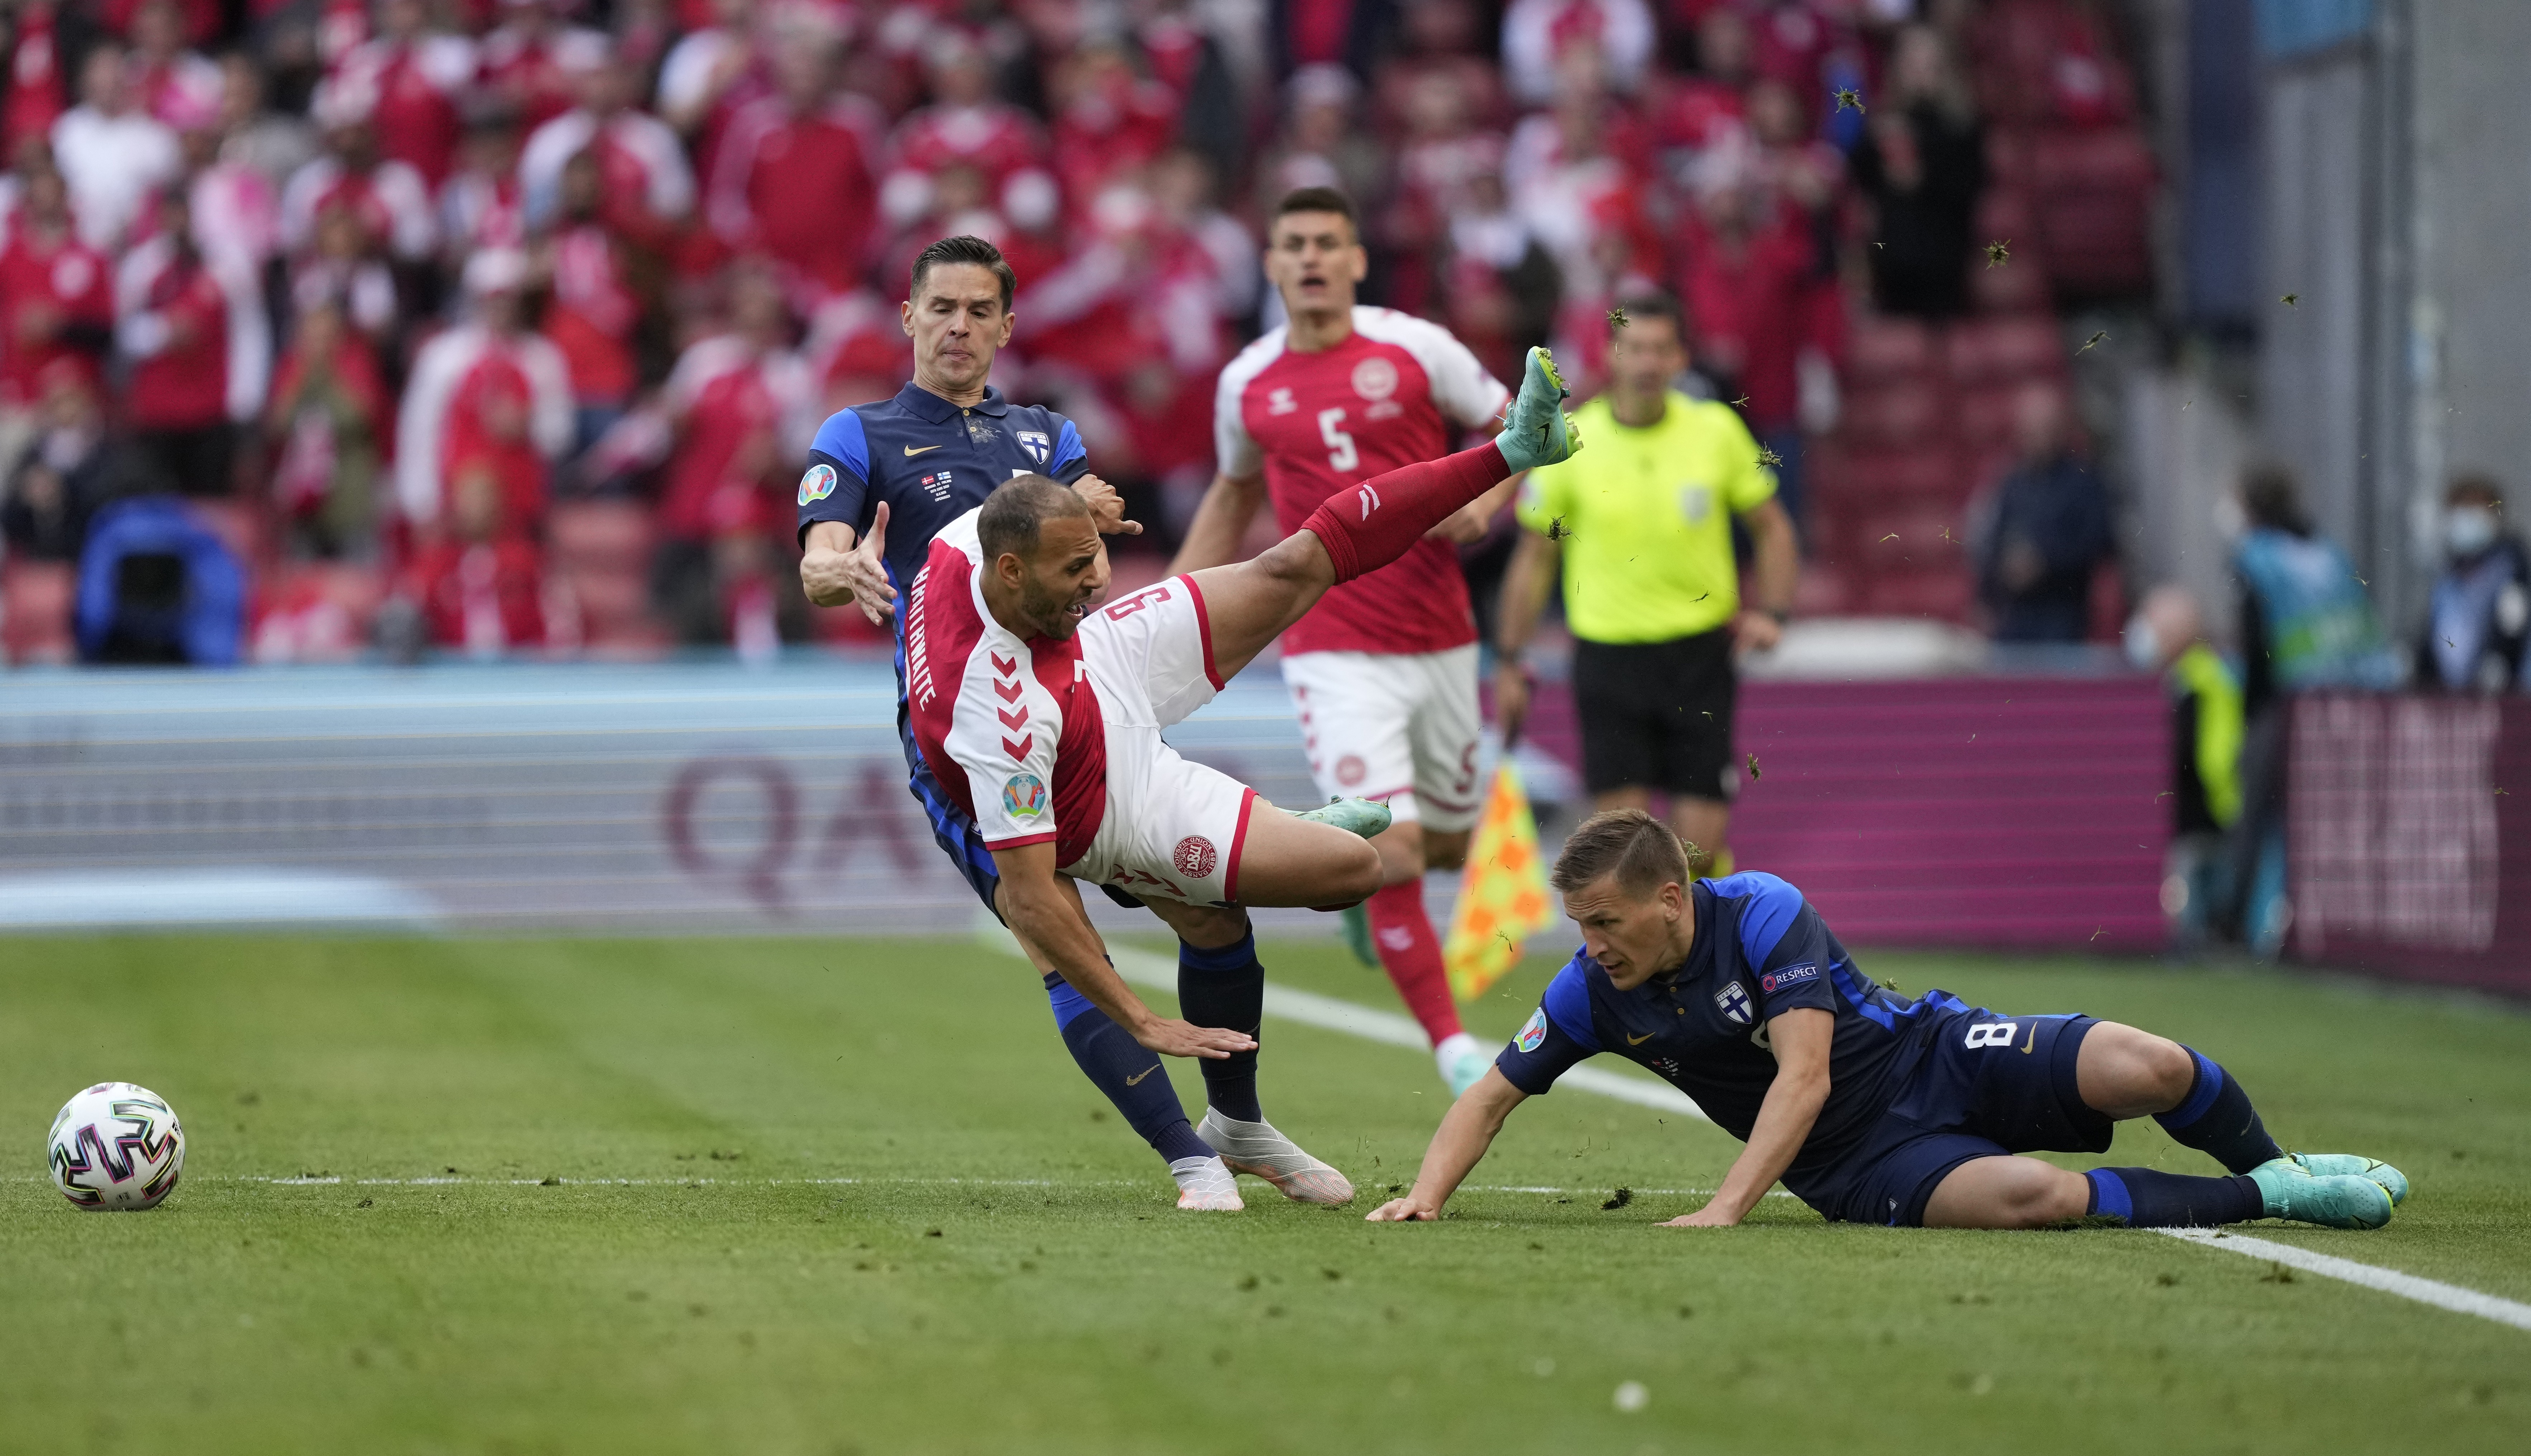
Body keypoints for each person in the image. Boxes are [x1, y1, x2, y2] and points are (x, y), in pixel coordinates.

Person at [909, 342, 1578, 1210]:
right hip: (1101, 796)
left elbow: (1042, 547)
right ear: (1012, 573)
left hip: (1091, 662)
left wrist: (1084, 517)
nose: (1098, 577)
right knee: (1351, 872)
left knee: (1292, 564)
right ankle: (1275, 841)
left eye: (1091, 557)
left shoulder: (974, 537)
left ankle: (1515, 448)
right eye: (1077, 570)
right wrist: (1143, 1019)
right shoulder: (995, 716)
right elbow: (1033, 895)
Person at [1365, 809, 2408, 1231]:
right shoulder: (1591, 992)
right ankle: (2266, 1195)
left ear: (1670, 899)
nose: (1588, 942)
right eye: (1579, 925)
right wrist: (1424, 1194)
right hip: (1855, 1166)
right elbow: (1494, 1093)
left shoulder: (1763, 909)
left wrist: (1726, 1206)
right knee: (2031, 1195)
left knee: (2153, 1065)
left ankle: (2288, 1160)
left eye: (1604, 921)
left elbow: (1803, 1073)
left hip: (1936, 1054)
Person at [1169, 186, 1518, 1096]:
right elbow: (1233, 495)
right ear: (1274, 264)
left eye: (1329, 242)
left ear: (1357, 259)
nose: (1313, 258)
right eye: (1294, 245)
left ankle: (1362, 900)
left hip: (1441, 638)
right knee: (1395, 850)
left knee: (1442, 846)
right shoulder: (1246, 380)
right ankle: (1452, 1046)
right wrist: (1170, 610)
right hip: (1329, 645)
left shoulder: (1417, 347)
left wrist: (1484, 505)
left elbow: (1513, 427)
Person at [1493, 295, 1797, 878]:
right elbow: (1534, 558)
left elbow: (1771, 526)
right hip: (1610, 663)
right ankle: (1639, 972)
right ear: (1610, 354)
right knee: (1624, 858)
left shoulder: (1714, 430)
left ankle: (1691, 968)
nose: (1646, 363)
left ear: (1680, 356)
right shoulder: (1571, 441)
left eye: (1660, 349)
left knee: (1697, 858)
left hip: (1699, 657)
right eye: (1634, 348)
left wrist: (1775, 613)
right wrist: (1510, 657)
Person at [2223, 463, 2399, 952]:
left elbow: (2256, 642)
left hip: (2286, 702)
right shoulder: (2326, 553)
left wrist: (2249, 711)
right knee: (2326, 820)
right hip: (2347, 700)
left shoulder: (2255, 557)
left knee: (2256, 813)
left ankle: (2236, 925)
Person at [2124, 585, 2240, 948]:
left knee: (2195, 887)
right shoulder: (2199, 675)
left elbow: (2202, 755)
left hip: (2205, 810)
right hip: (2212, 807)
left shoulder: (2196, 681)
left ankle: (2197, 945)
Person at [1972, 382, 2114, 643]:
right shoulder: (2012, 483)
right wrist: (1988, 593)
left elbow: (2099, 541)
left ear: (2061, 429)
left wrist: (2045, 563)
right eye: (2030, 429)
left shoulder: (2083, 481)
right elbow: (1993, 540)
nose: (2037, 436)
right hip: (2014, 617)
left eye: (2045, 428)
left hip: (2062, 615)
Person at [2414, 472, 2528, 694]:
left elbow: (2513, 632)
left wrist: (2498, 668)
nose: (2464, 524)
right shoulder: (2447, 579)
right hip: (2454, 702)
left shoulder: (2513, 572)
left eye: (2473, 513)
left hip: (2512, 702)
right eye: (2458, 513)